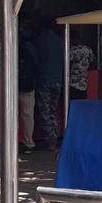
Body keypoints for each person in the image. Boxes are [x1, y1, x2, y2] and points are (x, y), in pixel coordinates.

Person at [33, 16, 64, 150]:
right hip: (57, 79)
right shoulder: (59, 41)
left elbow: (37, 60)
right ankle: (54, 137)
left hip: (45, 79)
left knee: (45, 111)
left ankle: (50, 140)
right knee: (53, 110)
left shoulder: (41, 41)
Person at [18, 27, 39, 153]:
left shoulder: (9, 45)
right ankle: (29, 142)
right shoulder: (30, 47)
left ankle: (11, 142)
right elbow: (36, 64)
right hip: (28, 85)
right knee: (28, 115)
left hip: (13, 84)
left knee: (10, 115)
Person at [69, 35, 95, 102]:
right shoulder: (88, 50)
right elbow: (93, 62)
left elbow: (66, 63)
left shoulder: (73, 50)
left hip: (73, 83)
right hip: (84, 84)